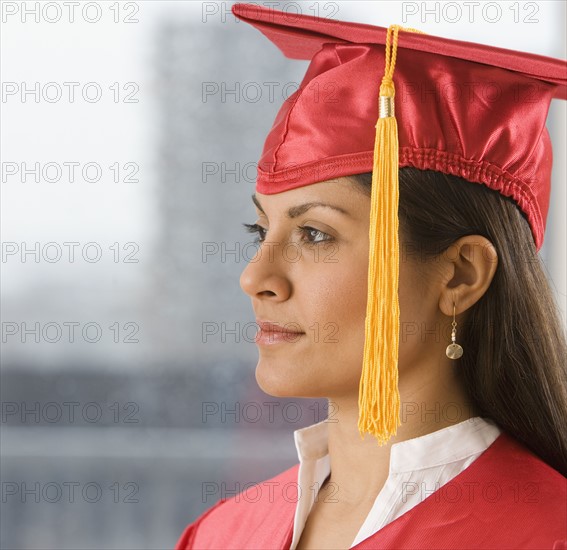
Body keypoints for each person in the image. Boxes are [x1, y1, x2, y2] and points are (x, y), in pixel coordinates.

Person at [176, 3, 567, 549]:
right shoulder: (224, 534)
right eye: (258, 230)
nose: (255, 277)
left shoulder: (544, 533)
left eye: (315, 234)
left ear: (460, 276)